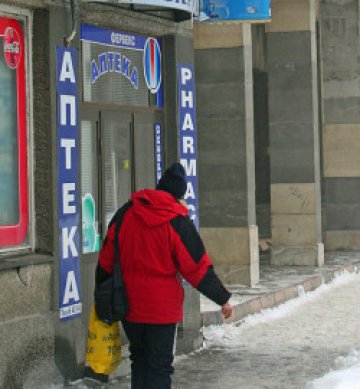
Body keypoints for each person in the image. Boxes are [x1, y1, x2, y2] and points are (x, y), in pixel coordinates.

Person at [96, 162, 233, 389]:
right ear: (179, 195)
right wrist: (222, 299)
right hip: (162, 311)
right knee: (159, 367)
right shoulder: (177, 221)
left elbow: (105, 261)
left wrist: (101, 296)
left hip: (129, 306)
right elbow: (197, 268)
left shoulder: (125, 213)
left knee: (139, 360)